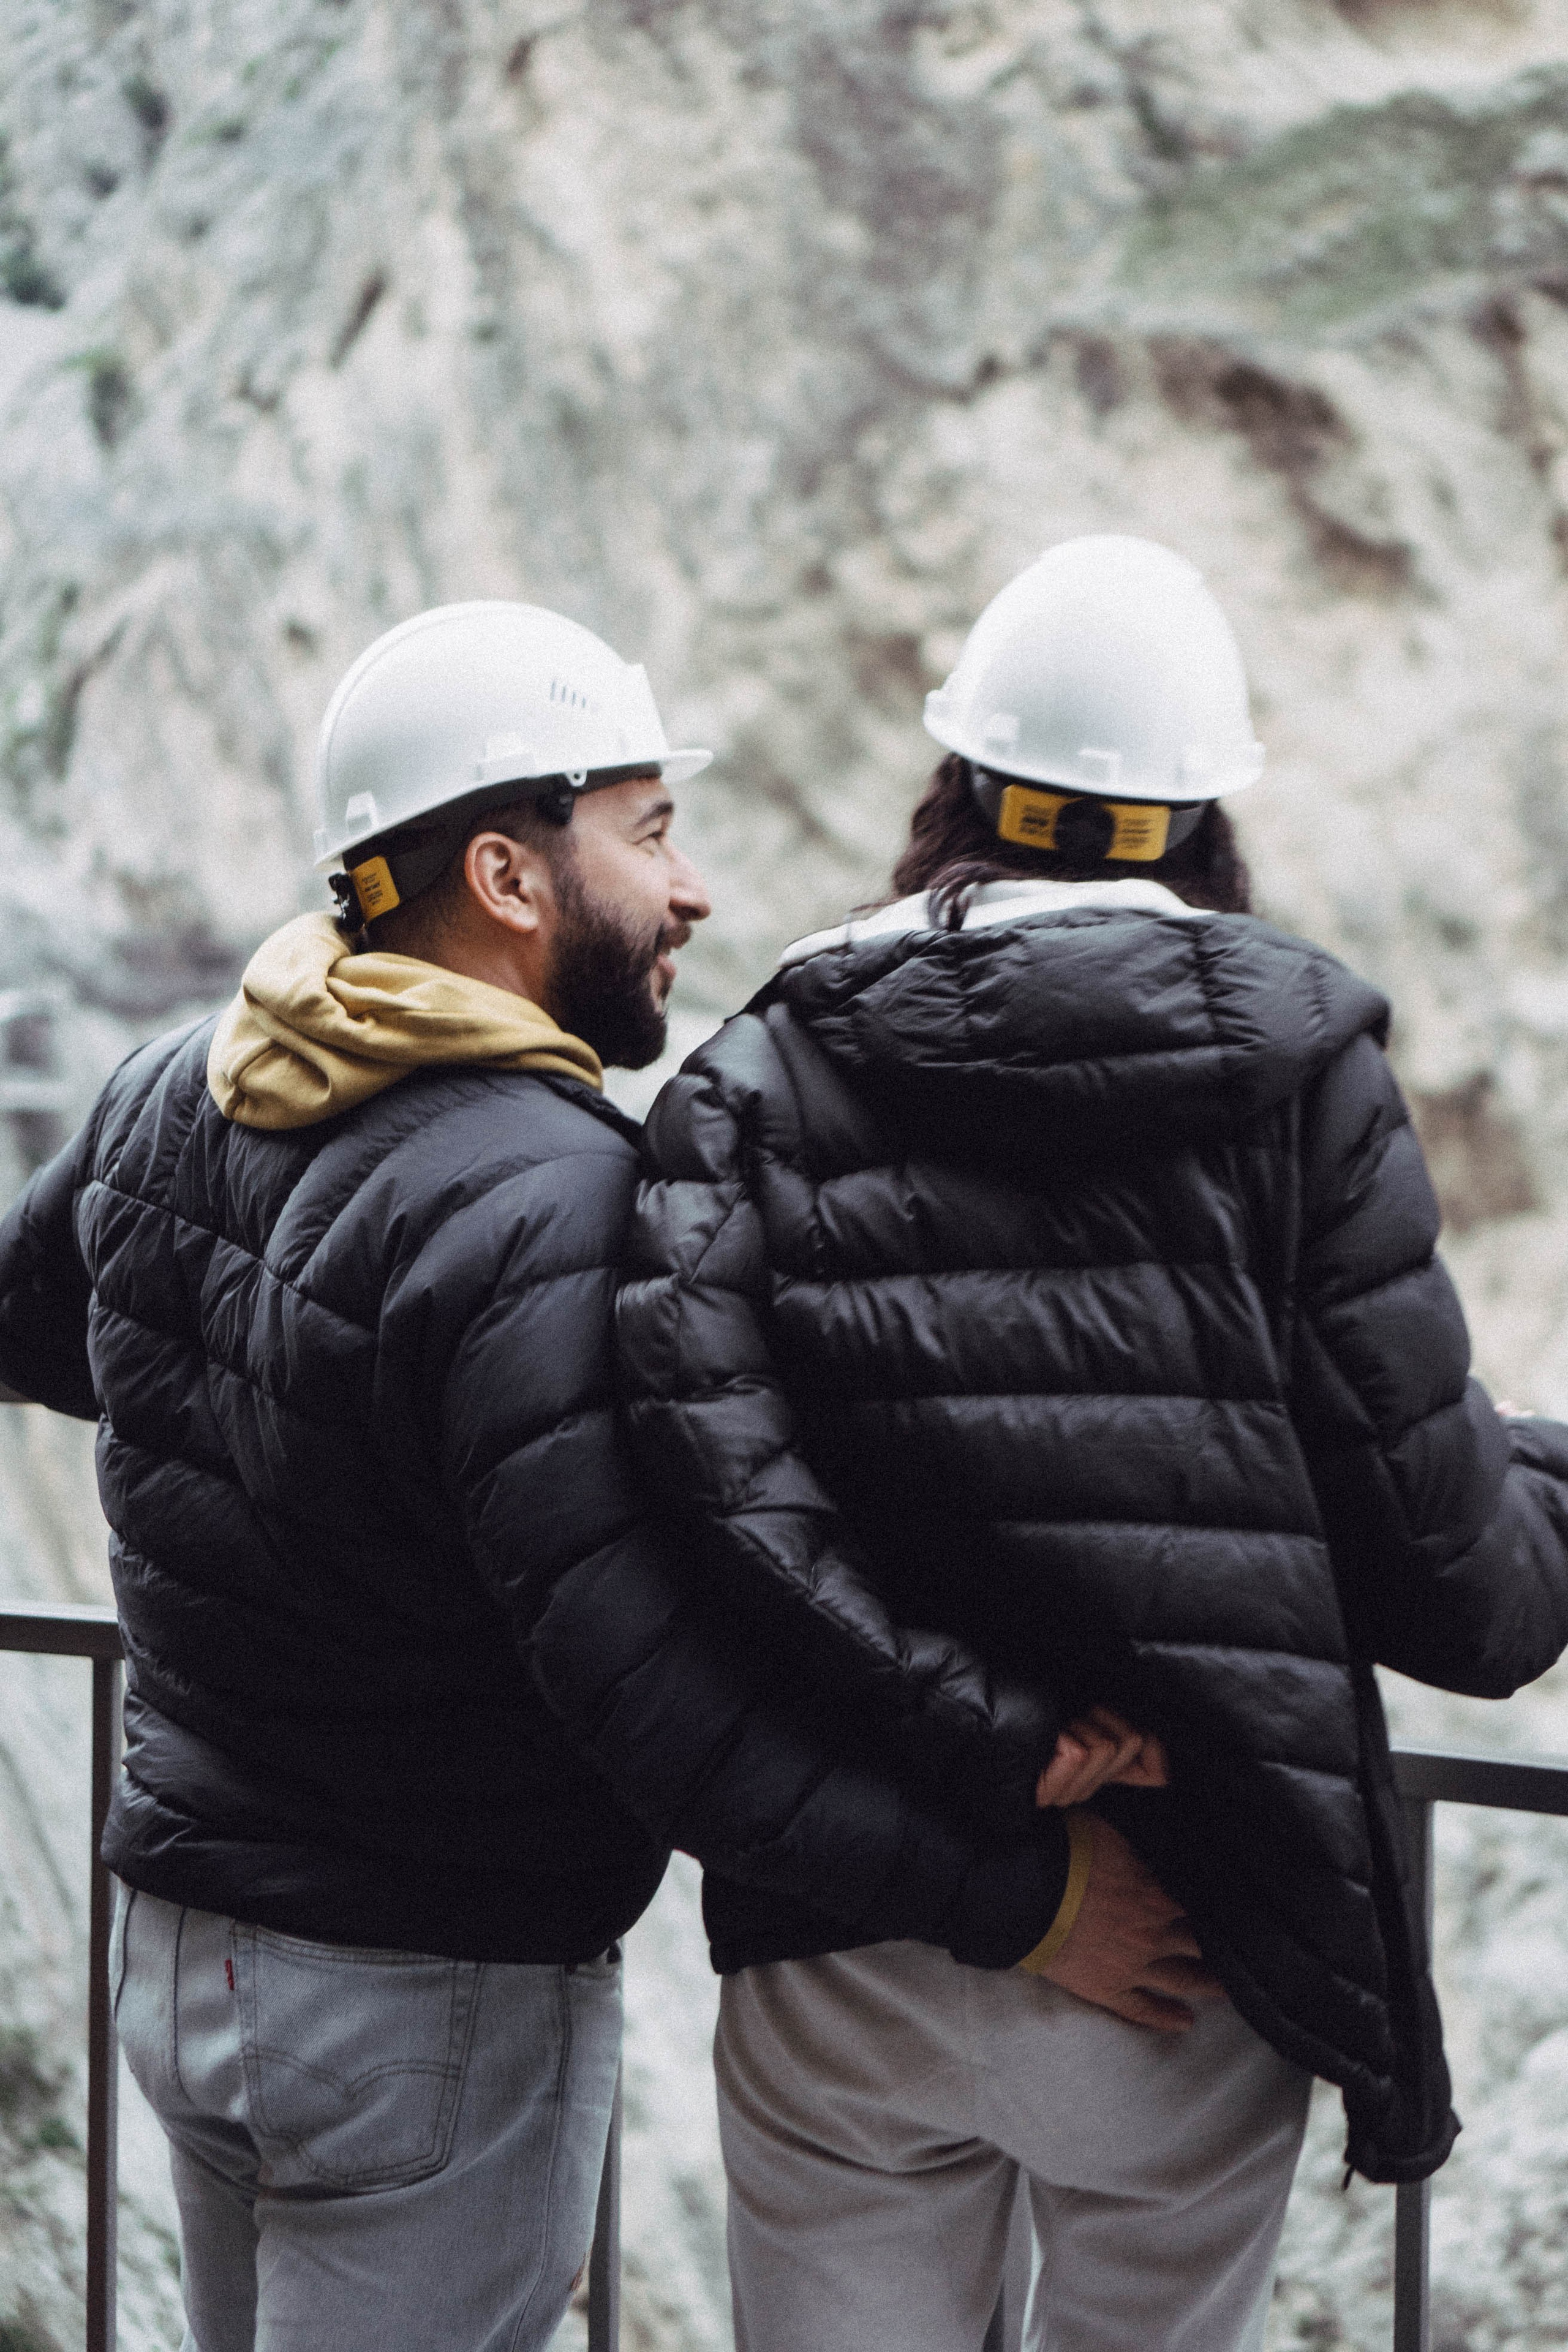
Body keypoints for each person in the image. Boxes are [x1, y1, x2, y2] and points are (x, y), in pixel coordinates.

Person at [0, 600, 1085, 2352]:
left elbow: (50, 1328)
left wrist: (301, 1451)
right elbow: (669, 1704)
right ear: (508, 876)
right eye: (652, 832)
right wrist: (1029, 1899)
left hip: (182, 1951)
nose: (695, 889)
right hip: (414, 2003)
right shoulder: (553, 1211)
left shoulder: (169, 1090)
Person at [607, 537, 1568, 2351]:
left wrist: (958, 1721)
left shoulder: (753, 1078)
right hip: (1196, 1939)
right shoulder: (1306, 1081)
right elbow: (1473, 1601)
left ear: (959, 785)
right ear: (1205, 819)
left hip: (851, 1924)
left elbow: (705, 1492)